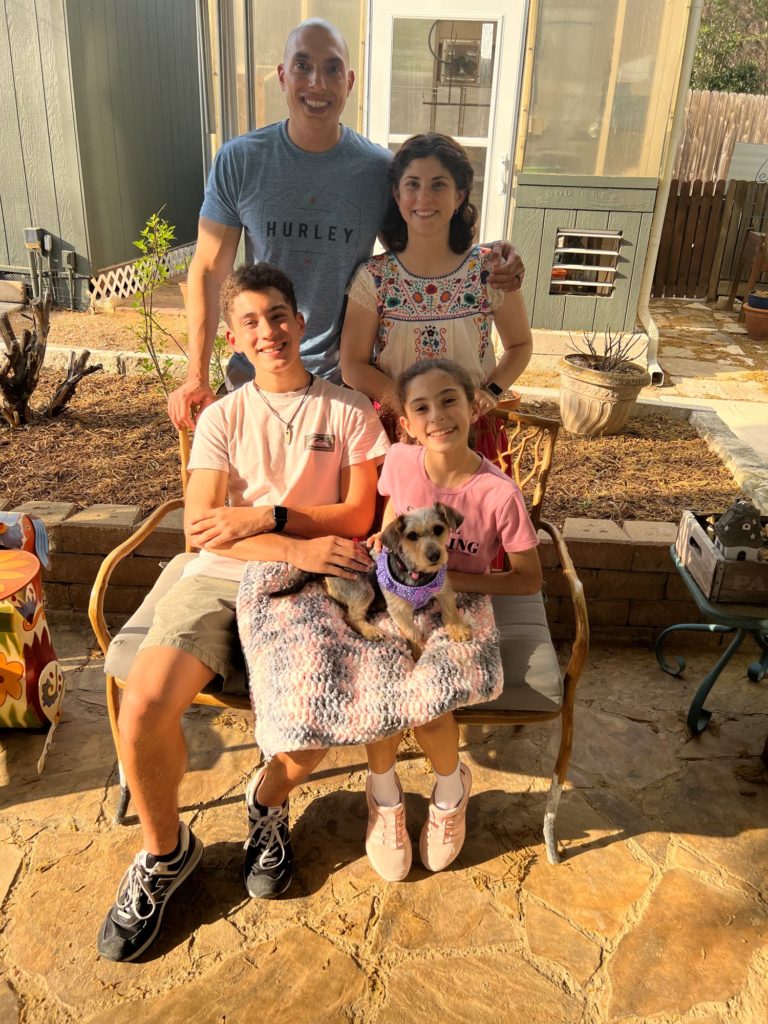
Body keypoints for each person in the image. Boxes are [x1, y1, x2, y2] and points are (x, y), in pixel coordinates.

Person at [97, 262, 389, 963]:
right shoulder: (222, 417)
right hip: (223, 578)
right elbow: (203, 527)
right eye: (251, 321)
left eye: (279, 315)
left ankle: (266, 801)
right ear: (232, 337)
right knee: (142, 705)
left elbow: (358, 515)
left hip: (311, 586)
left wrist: (268, 517)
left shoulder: (350, 410)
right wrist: (297, 541)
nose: (269, 331)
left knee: (315, 719)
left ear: (302, 321)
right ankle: (166, 853)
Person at [167, 20, 525, 431]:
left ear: (349, 82)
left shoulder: (377, 169)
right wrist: (195, 375)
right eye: (302, 66)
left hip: (339, 387)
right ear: (282, 75)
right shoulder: (240, 160)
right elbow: (209, 268)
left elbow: (421, 245)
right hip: (257, 373)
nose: (317, 83)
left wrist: (493, 256)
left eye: (332, 68)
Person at [362, 358, 543, 882]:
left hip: (463, 603)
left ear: (473, 407)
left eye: (449, 400)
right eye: (421, 408)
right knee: (377, 684)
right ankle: (384, 794)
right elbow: (391, 516)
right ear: (407, 424)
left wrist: (452, 579)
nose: (437, 416)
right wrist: (382, 544)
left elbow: (528, 579)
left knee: (432, 697)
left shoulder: (499, 494)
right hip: (399, 592)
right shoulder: (400, 460)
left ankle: (449, 789)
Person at [340, 132, 533, 453]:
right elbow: (353, 365)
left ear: (459, 196)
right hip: (399, 436)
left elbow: (520, 344)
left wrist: (491, 392)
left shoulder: (490, 270)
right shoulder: (373, 278)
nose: (424, 197)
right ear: (397, 194)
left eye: (439, 185)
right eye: (412, 184)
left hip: (472, 435)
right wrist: (409, 408)